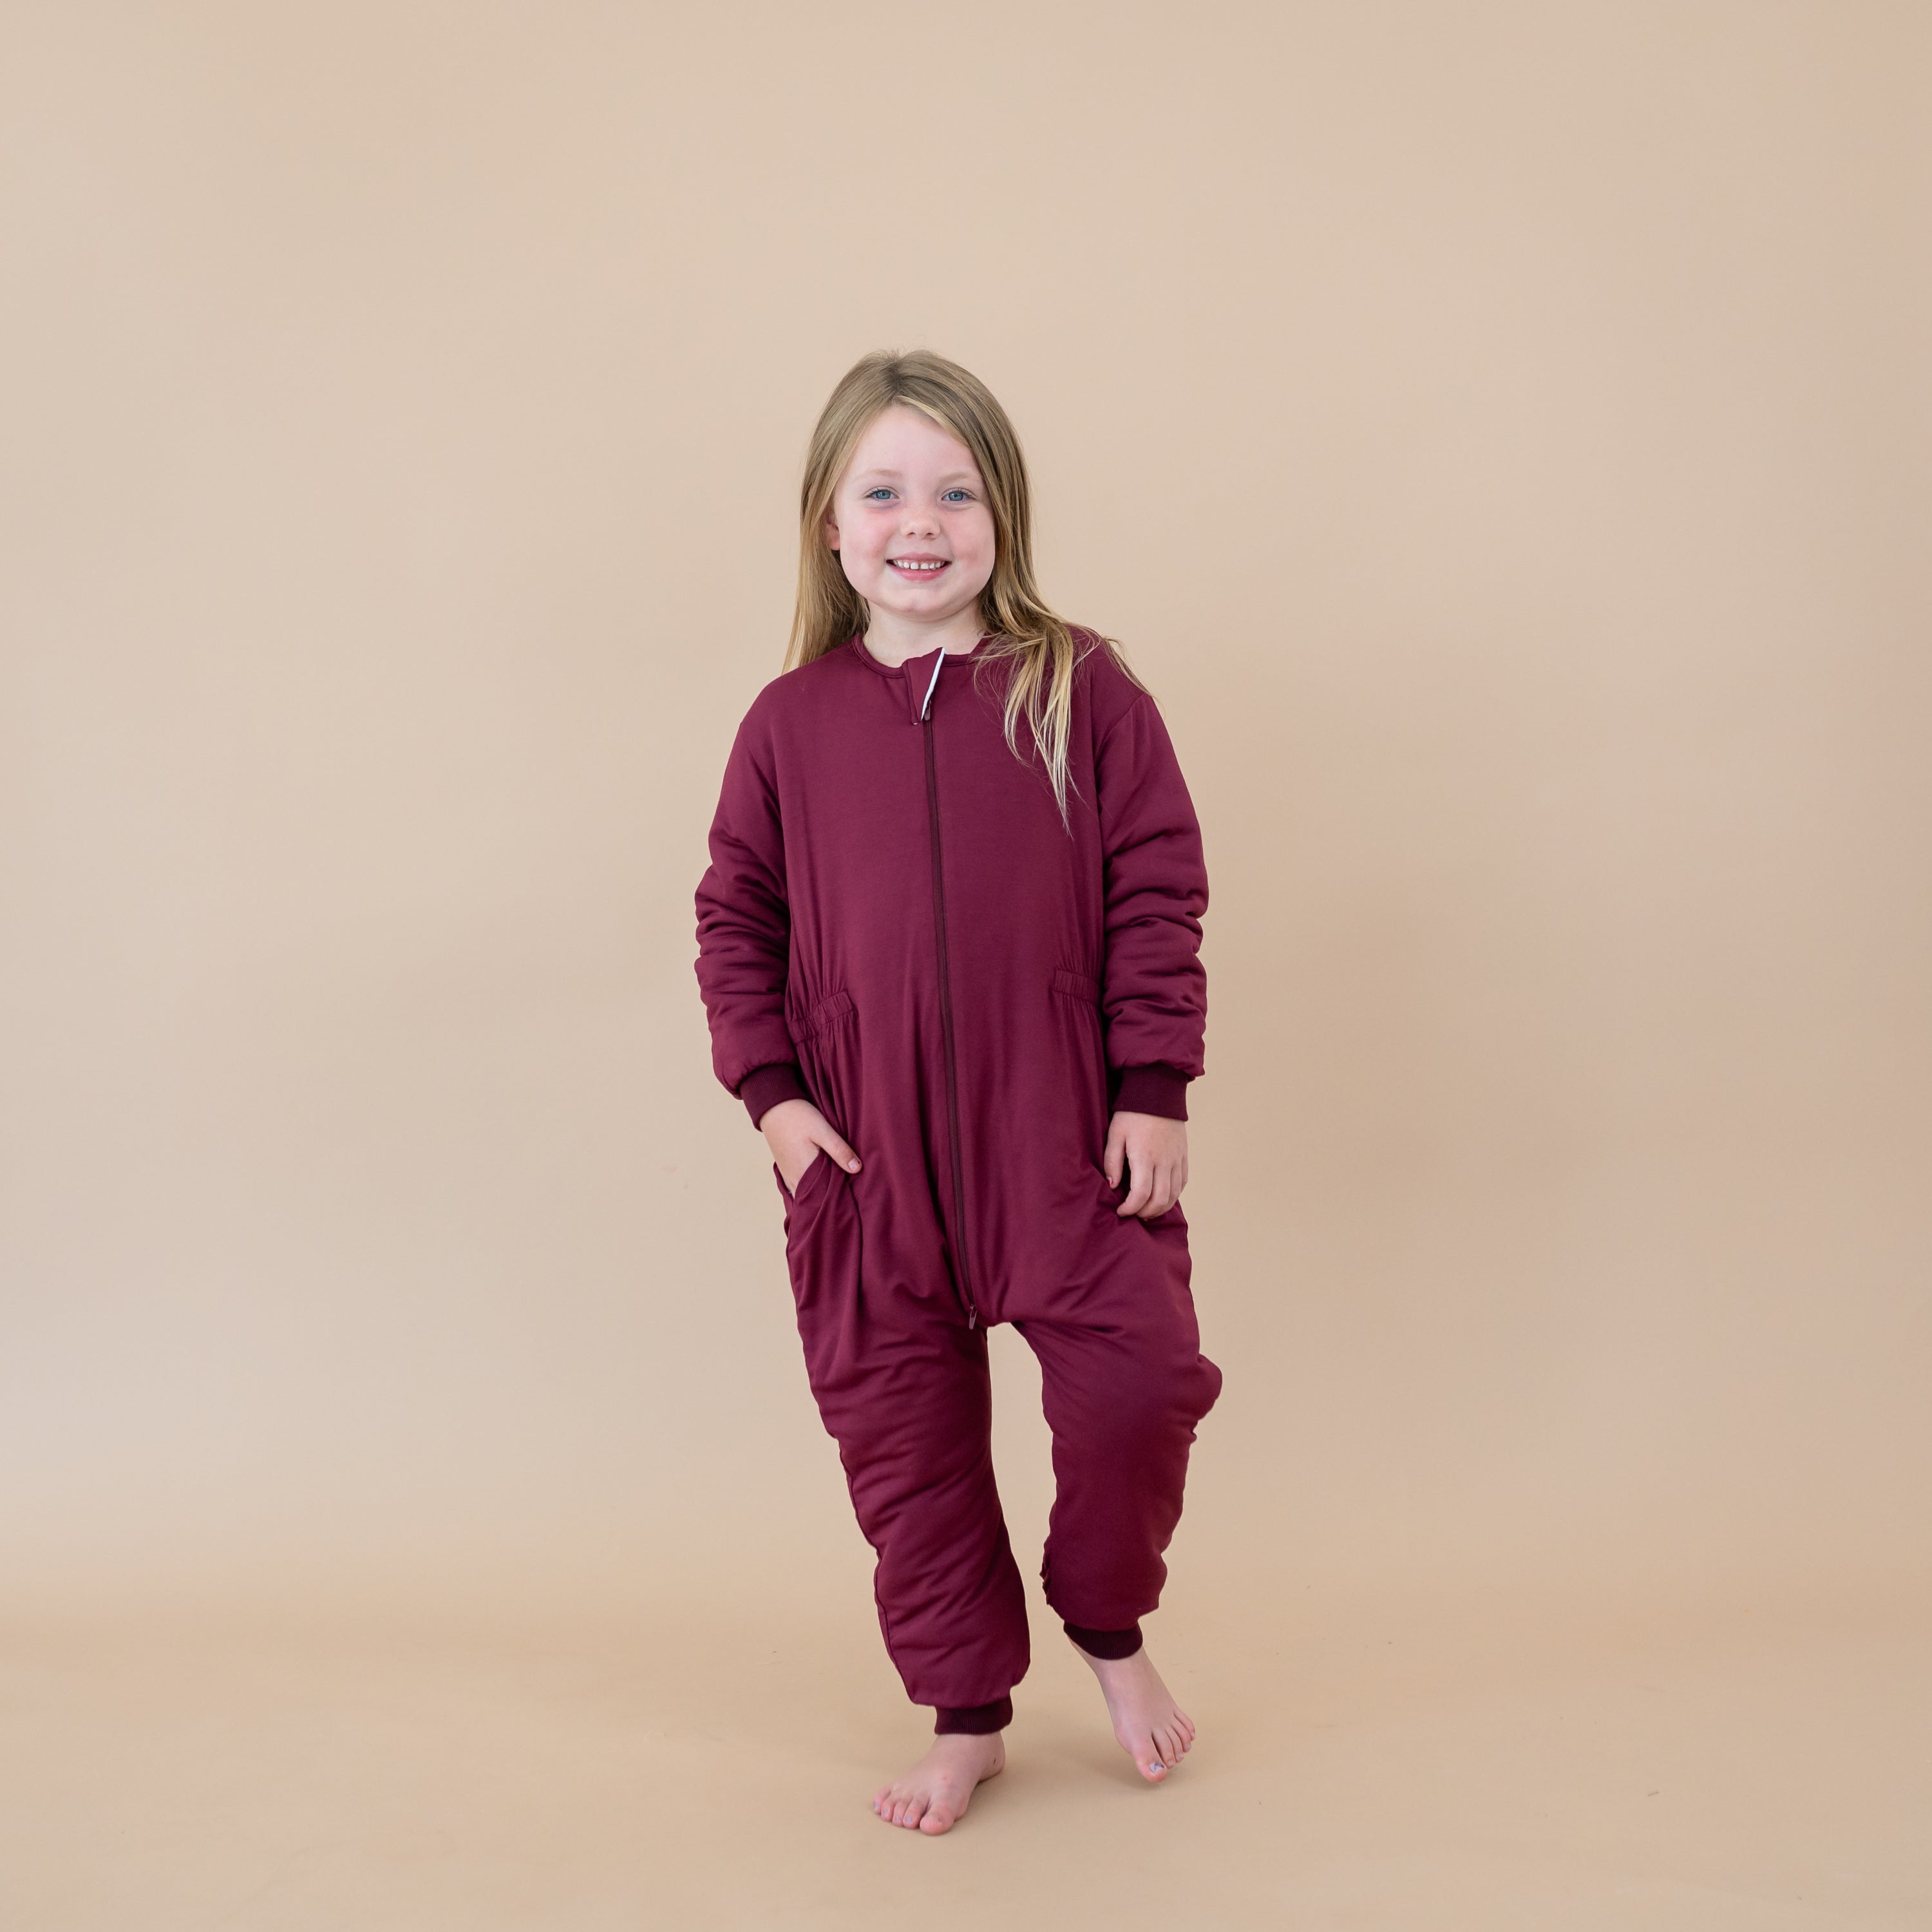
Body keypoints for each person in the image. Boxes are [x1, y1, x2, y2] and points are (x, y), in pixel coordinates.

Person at [692, 348, 1222, 1835]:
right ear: (829, 523)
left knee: (1140, 1387)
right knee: (906, 1452)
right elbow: (734, 917)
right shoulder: (788, 724)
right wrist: (775, 1098)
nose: (918, 523)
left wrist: (1153, 1081)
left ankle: (1106, 1621)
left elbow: (1158, 885)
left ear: (1004, 517)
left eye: (955, 493)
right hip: (866, 1166)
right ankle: (967, 1718)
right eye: (882, 493)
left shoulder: (1080, 687)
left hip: (1065, 1141)